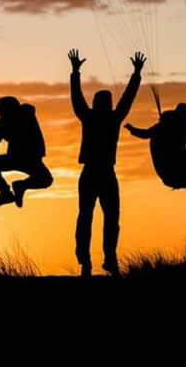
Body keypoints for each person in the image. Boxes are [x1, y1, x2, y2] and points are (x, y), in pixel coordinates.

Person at [69, 48, 145, 277]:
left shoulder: (90, 116)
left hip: (92, 173)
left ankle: (90, 262)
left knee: (88, 216)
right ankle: (104, 260)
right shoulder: (112, 117)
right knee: (108, 217)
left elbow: (77, 98)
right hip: (103, 173)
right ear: (109, 104)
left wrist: (75, 72)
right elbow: (128, 97)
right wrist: (136, 73)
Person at [0, 96, 53, 208]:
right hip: (23, 158)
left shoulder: (21, 115)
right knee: (45, 180)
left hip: (23, 158)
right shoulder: (19, 116)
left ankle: (15, 188)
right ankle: (9, 191)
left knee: (45, 180)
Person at [125, 103, 186, 200]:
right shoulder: (182, 126)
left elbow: (145, 134)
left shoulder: (161, 126)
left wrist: (131, 129)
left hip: (167, 174)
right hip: (175, 170)